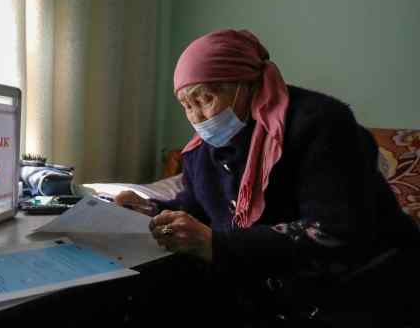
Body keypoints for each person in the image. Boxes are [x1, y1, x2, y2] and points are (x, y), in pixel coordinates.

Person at [115, 29, 419, 327]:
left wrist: (216, 244)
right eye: (187, 105)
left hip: (360, 289)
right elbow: (199, 204)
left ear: (246, 84)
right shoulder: (204, 149)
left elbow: (334, 231)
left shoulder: (321, 124)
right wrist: (150, 210)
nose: (197, 117)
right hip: (270, 289)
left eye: (205, 98)